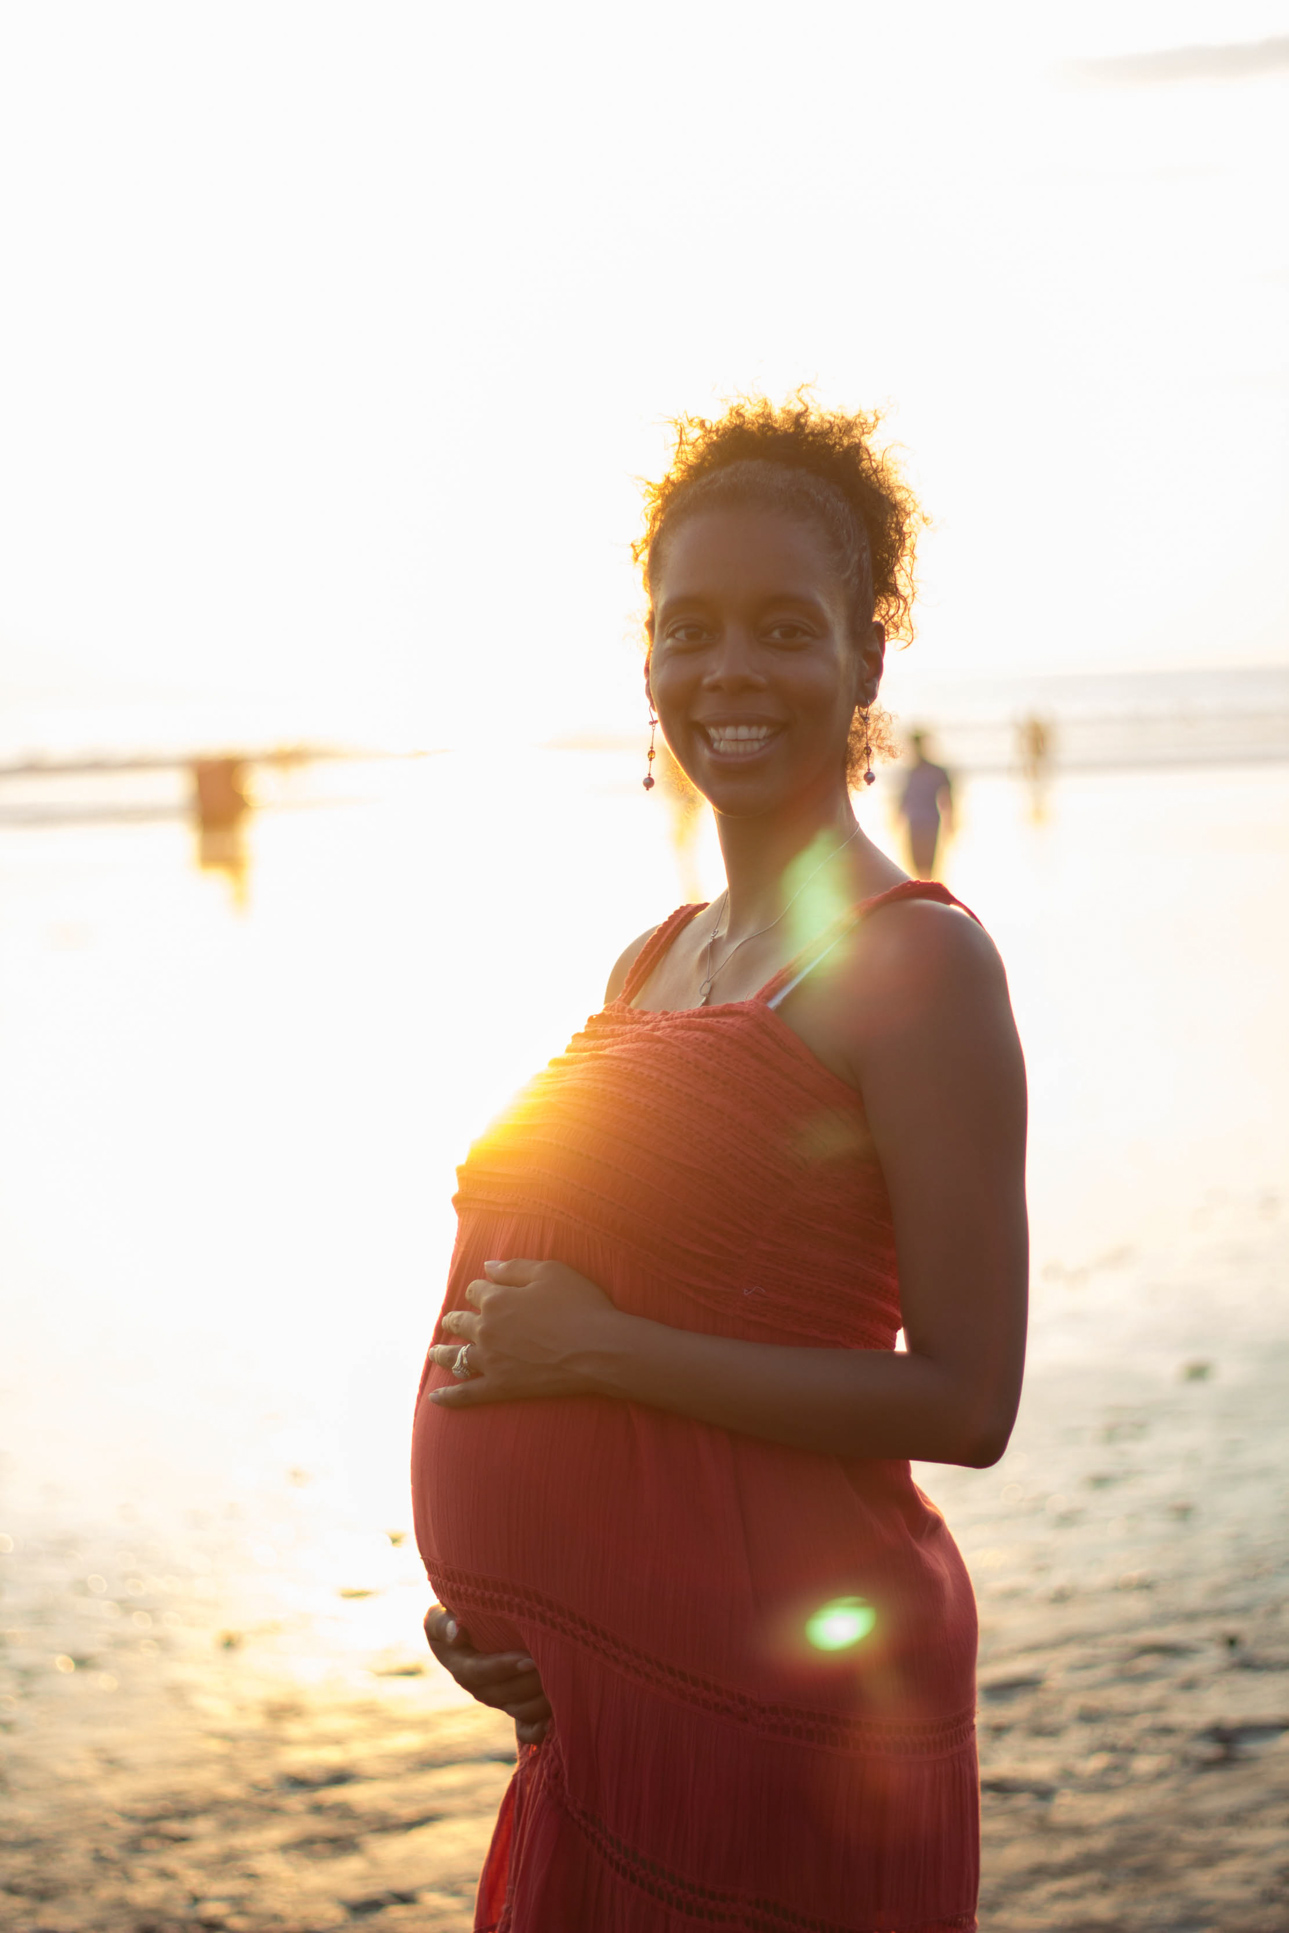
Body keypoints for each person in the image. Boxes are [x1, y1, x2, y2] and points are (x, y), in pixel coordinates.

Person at [412, 396, 1028, 1932]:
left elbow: (966, 1398)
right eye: (689, 630)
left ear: (864, 664)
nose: (728, 673)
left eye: (782, 627)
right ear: (646, 662)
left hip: (794, 1711)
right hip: (606, 1706)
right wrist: (499, 1614)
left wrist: (606, 1350)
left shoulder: (919, 968)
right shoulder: (655, 957)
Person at [896, 729, 953, 877]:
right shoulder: (910, 773)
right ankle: (923, 891)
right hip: (915, 821)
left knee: (929, 863)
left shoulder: (935, 771)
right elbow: (903, 799)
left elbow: (948, 797)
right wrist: (897, 818)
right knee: (915, 862)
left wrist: (950, 820)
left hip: (929, 822)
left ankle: (928, 892)